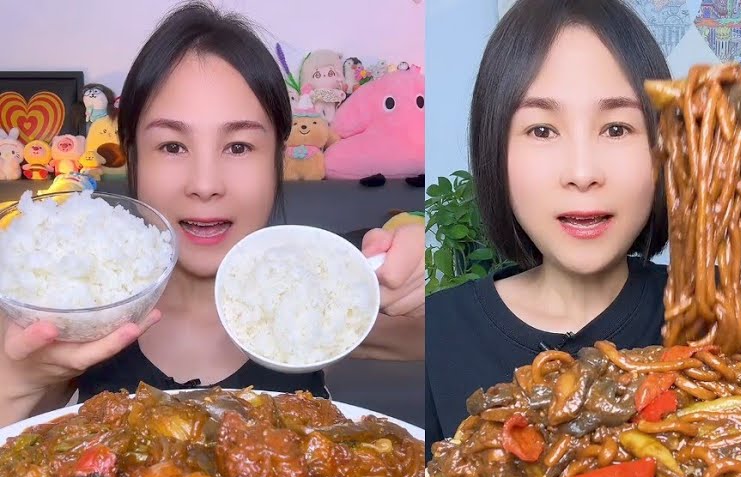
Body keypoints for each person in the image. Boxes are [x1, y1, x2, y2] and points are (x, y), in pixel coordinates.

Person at [425, 0, 741, 458]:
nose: (583, 172)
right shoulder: (436, 336)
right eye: (542, 130)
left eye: (616, 128)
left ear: (664, 146)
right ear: (494, 147)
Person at [0, 1, 425, 427]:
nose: (205, 184)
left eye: (239, 147)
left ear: (278, 158)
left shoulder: (324, 291)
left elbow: (437, 332)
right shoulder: (63, 300)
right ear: (133, 157)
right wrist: (16, 383)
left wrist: (423, 254)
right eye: (172, 146)